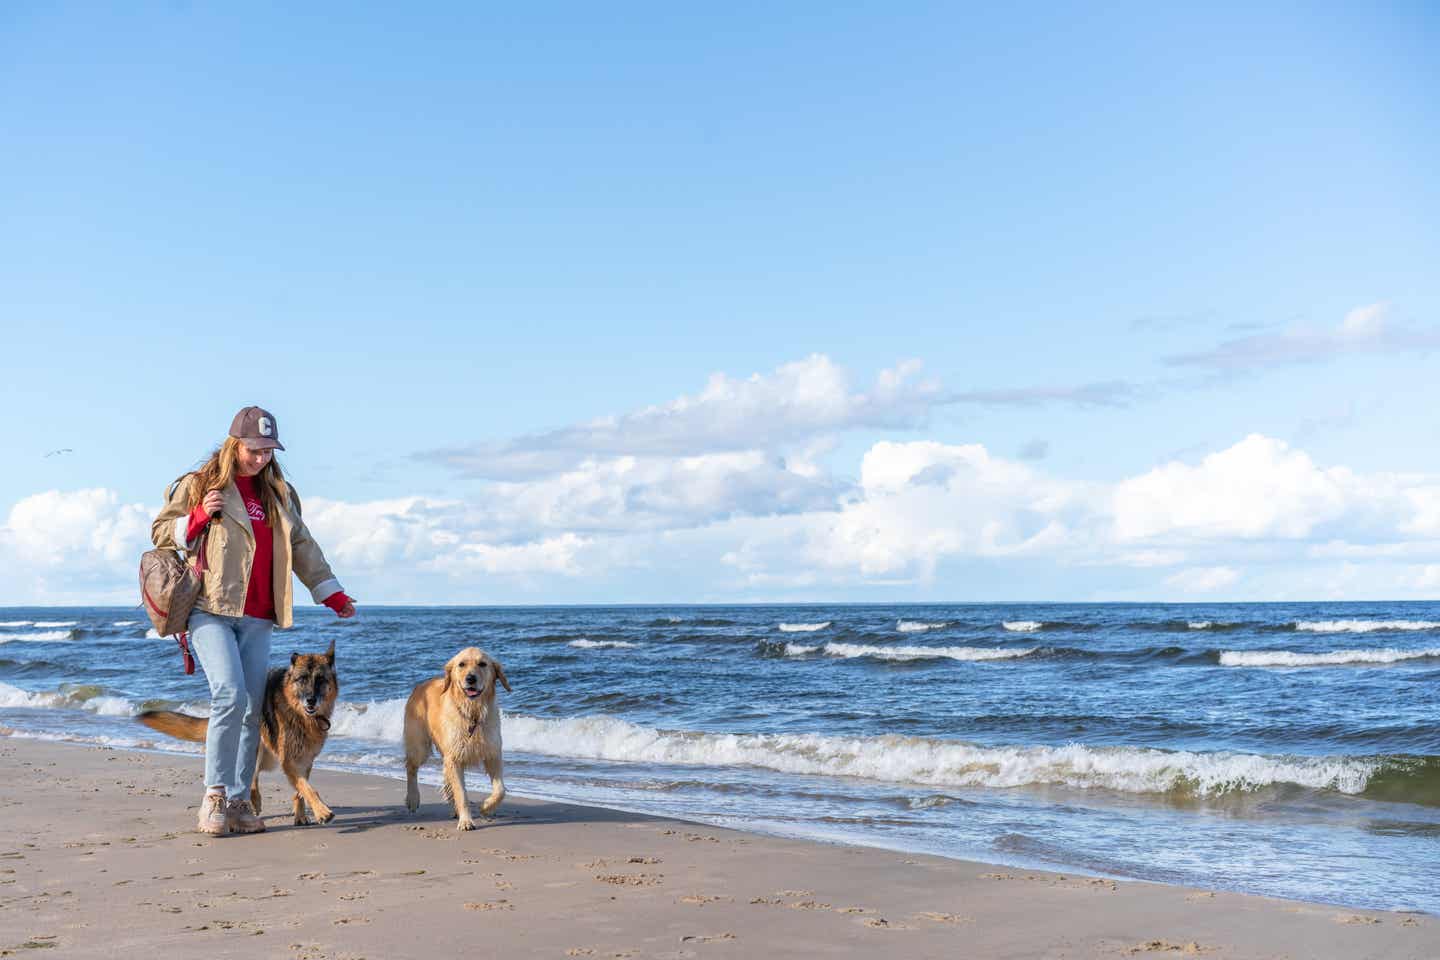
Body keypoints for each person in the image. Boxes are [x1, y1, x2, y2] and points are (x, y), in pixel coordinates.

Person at [151, 405, 356, 837]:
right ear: (235, 443)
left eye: (268, 450)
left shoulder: (279, 493)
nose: (260, 458)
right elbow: (160, 531)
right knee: (230, 695)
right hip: (210, 609)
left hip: (259, 615)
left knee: (248, 708)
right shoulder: (201, 484)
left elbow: (301, 543)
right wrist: (198, 518)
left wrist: (329, 591)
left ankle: (242, 801)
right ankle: (214, 798)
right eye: (253, 449)